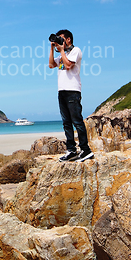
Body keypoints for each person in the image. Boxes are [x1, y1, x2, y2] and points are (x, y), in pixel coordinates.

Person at [49, 29, 94, 162]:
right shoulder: (62, 54)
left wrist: (61, 50)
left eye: (61, 38)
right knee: (66, 123)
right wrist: (52, 48)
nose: (59, 41)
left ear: (68, 39)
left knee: (77, 122)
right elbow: (51, 65)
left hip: (73, 91)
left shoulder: (76, 51)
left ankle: (86, 150)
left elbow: (68, 65)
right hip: (61, 91)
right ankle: (71, 150)